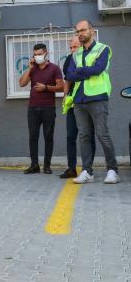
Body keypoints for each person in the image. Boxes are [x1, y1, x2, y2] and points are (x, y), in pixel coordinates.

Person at [65, 20, 119, 184]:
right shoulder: (76, 54)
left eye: (83, 30)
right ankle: (87, 172)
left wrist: (80, 71)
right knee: (84, 136)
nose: (80, 33)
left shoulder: (103, 49)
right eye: (78, 31)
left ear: (92, 31)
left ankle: (112, 170)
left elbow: (98, 69)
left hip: (97, 97)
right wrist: (85, 72)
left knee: (102, 134)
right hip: (79, 99)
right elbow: (69, 75)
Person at [18, 43, 64, 175]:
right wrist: (29, 68)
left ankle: (47, 165)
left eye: (40, 54)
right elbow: (21, 83)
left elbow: (61, 87)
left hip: (48, 108)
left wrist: (46, 88)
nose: (37, 57)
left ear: (46, 54)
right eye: (35, 55)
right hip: (32, 107)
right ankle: (34, 165)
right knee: (33, 136)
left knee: (48, 136)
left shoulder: (54, 68)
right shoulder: (33, 69)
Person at [60, 36, 95, 179]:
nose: (73, 50)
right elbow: (67, 79)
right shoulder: (69, 59)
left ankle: (88, 169)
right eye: (71, 47)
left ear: (82, 46)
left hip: (88, 101)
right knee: (70, 135)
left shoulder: (89, 58)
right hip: (73, 102)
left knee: (88, 135)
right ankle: (71, 168)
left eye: (75, 47)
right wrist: (65, 95)